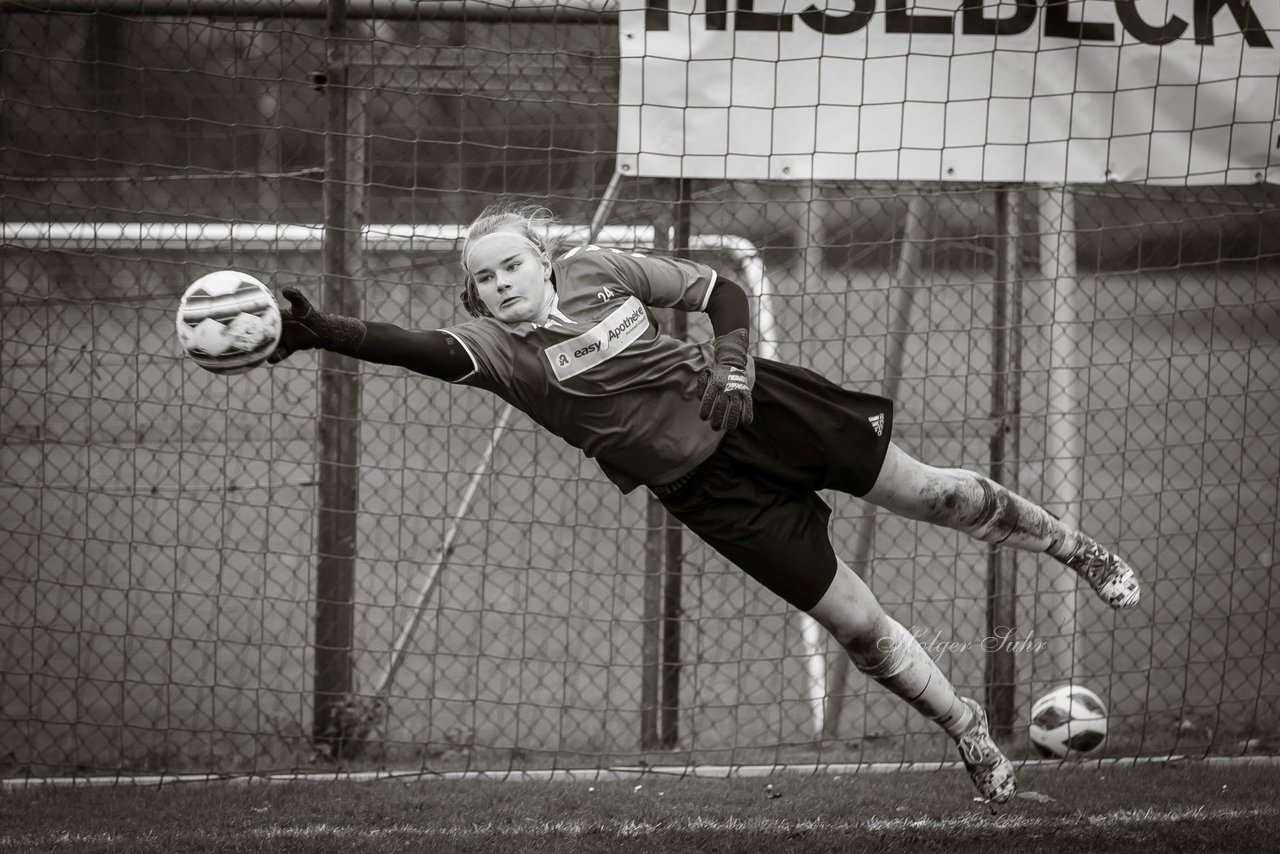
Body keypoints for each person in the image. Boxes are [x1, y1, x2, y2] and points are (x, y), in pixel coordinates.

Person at [268, 200, 1140, 804]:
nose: (499, 283)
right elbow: (406, 346)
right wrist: (322, 334)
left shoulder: (597, 269)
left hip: (756, 406)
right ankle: (967, 731)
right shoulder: (494, 351)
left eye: (510, 265)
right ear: (476, 293)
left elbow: (720, 291)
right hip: (708, 493)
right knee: (859, 626)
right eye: (483, 277)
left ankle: (1074, 547)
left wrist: (731, 361)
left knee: (933, 493)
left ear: (542, 258)